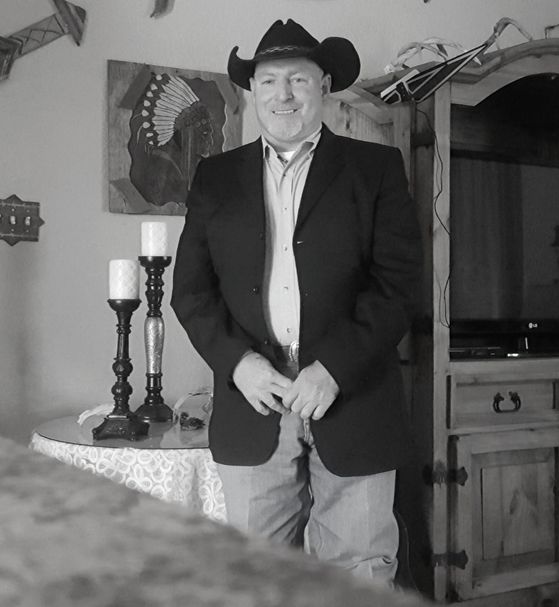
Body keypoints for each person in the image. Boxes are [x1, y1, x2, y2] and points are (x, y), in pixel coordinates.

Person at [171, 19, 422, 584]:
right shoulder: (214, 178)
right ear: (252, 92)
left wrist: (333, 369)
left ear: (324, 86)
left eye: (298, 80)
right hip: (254, 401)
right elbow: (192, 292)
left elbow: (398, 284)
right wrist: (239, 365)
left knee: (360, 573)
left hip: (354, 396)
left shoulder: (376, 169)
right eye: (268, 81)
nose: (282, 95)